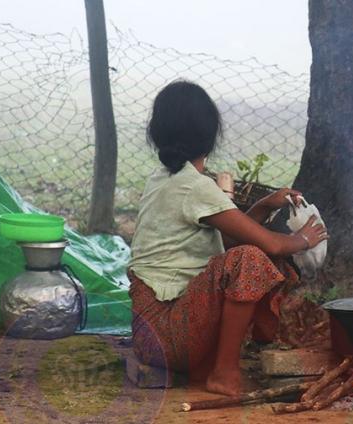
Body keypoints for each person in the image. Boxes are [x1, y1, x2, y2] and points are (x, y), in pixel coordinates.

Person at [127, 80, 328, 396]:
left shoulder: (164, 179)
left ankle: (222, 359)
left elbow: (228, 241)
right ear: (210, 137)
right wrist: (305, 239)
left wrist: (262, 206)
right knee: (252, 259)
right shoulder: (196, 187)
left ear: (157, 133)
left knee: (248, 257)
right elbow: (271, 244)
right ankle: (224, 372)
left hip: (151, 335)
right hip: (168, 334)